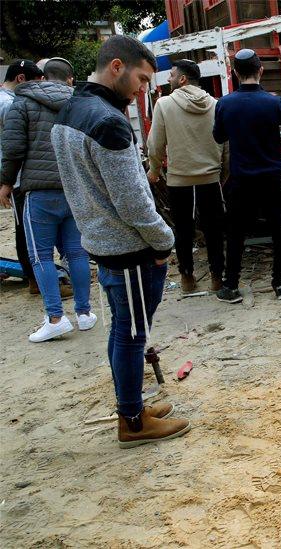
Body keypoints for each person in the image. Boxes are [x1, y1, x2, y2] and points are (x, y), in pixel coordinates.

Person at [52, 36, 190, 447]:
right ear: (117, 67)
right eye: (142, 79)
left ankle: (133, 405)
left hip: (101, 241)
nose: (143, 90)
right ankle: (132, 421)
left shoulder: (71, 107)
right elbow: (133, 203)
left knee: (123, 332)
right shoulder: (109, 122)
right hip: (129, 249)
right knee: (130, 336)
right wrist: (166, 240)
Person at [1, 57, 95, 342]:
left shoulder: (23, 103)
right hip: (74, 188)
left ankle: (55, 317)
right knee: (76, 252)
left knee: (40, 255)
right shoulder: (80, 103)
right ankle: (84, 313)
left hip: (39, 191)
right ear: (68, 79)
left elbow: (13, 147)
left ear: (42, 78)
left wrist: (5, 182)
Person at [212, 48, 281, 304]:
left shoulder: (225, 103)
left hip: (241, 178)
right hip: (271, 176)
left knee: (236, 232)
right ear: (260, 70)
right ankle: (280, 283)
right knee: (278, 230)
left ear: (234, 72)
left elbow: (218, 136)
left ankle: (230, 285)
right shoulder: (274, 102)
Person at [147, 59, 226, 294]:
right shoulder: (215, 104)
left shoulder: (164, 105)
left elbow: (155, 144)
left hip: (179, 179)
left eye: (171, 75)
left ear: (182, 79)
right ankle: (217, 278)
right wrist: (221, 170)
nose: (169, 79)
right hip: (210, 178)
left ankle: (187, 279)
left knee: (183, 230)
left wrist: (154, 169)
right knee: (214, 230)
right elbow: (225, 142)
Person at [0, 60, 44, 295]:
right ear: (21, 79)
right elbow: (14, 147)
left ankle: (34, 278)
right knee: (25, 230)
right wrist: (7, 181)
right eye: (34, 85)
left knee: (24, 228)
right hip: (17, 177)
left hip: (12, 174)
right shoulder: (10, 104)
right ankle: (34, 280)